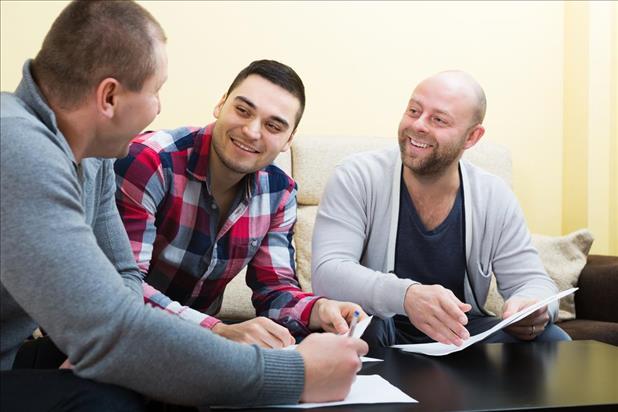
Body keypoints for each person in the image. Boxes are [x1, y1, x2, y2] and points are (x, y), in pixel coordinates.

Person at [0, 1, 367, 411]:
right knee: (104, 399)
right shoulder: (18, 147)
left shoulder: (95, 157)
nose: (158, 107)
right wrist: (296, 375)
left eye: (275, 125)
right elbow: (111, 328)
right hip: (54, 348)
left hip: (32, 354)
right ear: (109, 97)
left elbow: (123, 280)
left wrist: (311, 319)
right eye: (156, 91)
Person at [311, 70, 570, 353]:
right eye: (413, 111)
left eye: (438, 119)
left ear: (472, 136)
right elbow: (328, 272)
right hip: (379, 326)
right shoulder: (357, 176)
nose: (418, 125)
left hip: (459, 333)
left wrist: (533, 307)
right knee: (364, 332)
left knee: (552, 341)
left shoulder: (493, 195)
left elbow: (531, 281)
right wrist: (406, 296)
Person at [114, 59, 366, 349]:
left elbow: (275, 289)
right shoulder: (150, 162)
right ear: (221, 105)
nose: (252, 131)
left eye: (274, 126)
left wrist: (319, 310)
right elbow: (124, 289)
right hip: (123, 337)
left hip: (200, 350)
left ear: (288, 140)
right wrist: (218, 331)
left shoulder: (278, 192)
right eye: (243, 111)